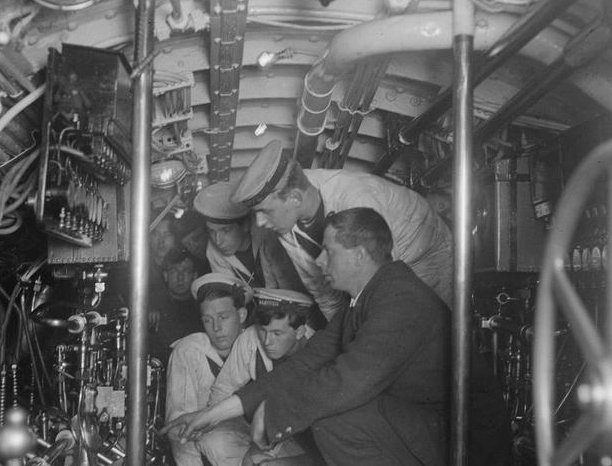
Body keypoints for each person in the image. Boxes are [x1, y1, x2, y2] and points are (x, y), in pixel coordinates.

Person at [162, 207, 509, 466]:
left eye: (329, 252)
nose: (320, 262)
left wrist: (276, 413)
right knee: (318, 412)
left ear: (358, 255)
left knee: (333, 419)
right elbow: (304, 365)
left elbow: (349, 380)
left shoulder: (400, 299)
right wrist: (210, 415)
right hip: (423, 428)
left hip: (464, 444)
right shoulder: (364, 301)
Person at [231, 139, 453, 319]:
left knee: (421, 328)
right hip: (388, 269)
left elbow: (382, 287)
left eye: (265, 211)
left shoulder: (356, 200)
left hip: (424, 254)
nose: (259, 223)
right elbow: (323, 292)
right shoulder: (285, 223)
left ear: (295, 198)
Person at [208, 288, 316, 466]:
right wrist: (210, 423)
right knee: (211, 439)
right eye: (263, 331)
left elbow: (294, 421)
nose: (267, 341)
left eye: (277, 334)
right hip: (259, 437)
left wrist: (252, 455)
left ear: (300, 331)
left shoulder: (317, 350)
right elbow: (222, 390)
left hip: (302, 443)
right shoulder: (250, 339)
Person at [164, 273, 253, 466]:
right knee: (212, 439)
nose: (216, 327)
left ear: (241, 315)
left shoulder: (258, 343)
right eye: (207, 320)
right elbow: (179, 416)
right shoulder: (188, 351)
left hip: (261, 443)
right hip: (219, 441)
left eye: (224, 316)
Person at [194, 182, 324, 328]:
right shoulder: (213, 252)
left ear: (244, 225)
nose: (217, 241)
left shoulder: (271, 235)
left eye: (226, 231)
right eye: (211, 231)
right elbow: (233, 298)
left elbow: (292, 290)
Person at [148, 248, 204, 364]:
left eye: (186, 271)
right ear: (165, 276)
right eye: (174, 271)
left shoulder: (202, 308)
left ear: (194, 276)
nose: (180, 277)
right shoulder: (153, 306)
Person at [171, 210, 211, 276]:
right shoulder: (192, 266)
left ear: (206, 232)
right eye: (187, 244)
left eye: (196, 239)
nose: (193, 247)